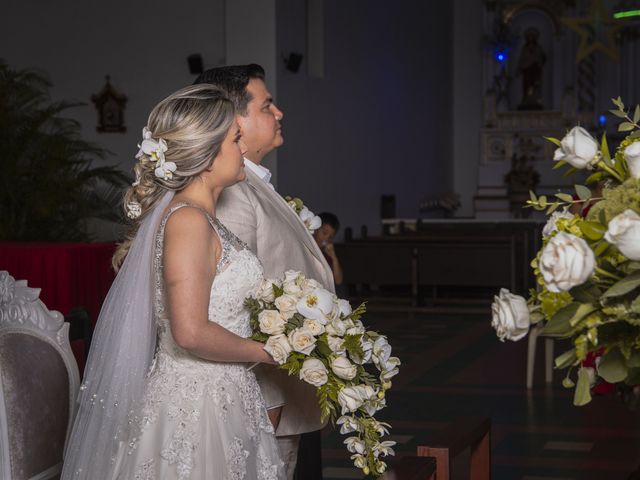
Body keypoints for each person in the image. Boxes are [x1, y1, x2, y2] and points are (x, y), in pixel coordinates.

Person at [61, 84, 284, 479]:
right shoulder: (188, 221)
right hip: (195, 407)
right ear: (208, 154)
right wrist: (269, 351)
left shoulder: (202, 218)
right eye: (235, 139)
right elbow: (190, 331)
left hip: (226, 395)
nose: (244, 149)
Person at [194, 65, 333, 479]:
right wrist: (264, 407)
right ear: (234, 120)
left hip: (281, 390)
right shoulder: (232, 195)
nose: (280, 113)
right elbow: (234, 308)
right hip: (260, 396)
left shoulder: (255, 185)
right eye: (268, 104)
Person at [313, 212, 344, 286]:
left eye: (331, 237)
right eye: (324, 233)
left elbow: (338, 281)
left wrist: (334, 258)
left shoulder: (327, 255)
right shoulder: (306, 246)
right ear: (315, 230)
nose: (326, 238)